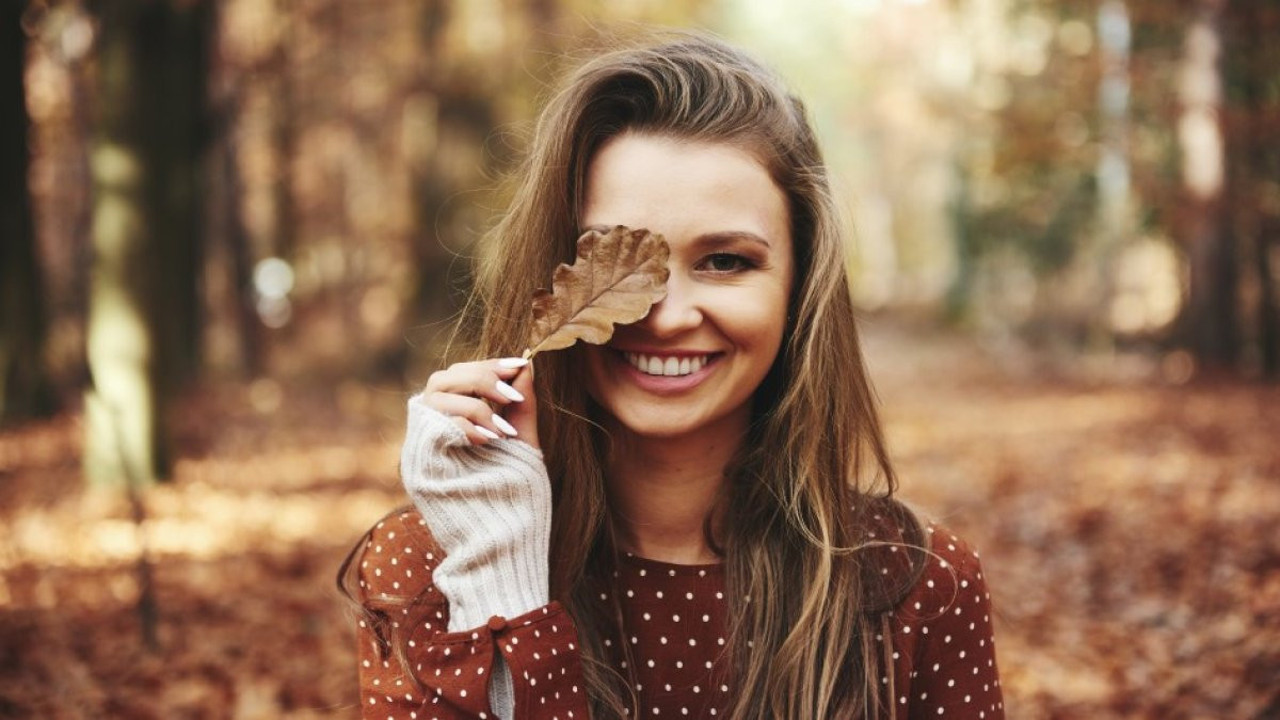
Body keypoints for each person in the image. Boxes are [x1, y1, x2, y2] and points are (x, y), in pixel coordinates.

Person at [339, 31, 1004, 720]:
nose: (665, 317)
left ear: (798, 288)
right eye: (616, 260)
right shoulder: (431, 566)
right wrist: (501, 577)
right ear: (554, 277)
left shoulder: (921, 586)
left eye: (725, 261)